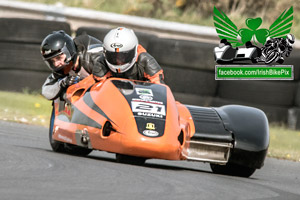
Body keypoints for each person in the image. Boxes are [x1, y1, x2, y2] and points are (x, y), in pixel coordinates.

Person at [40, 30, 103, 100]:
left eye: (58, 58)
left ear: (69, 51)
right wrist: (63, 83)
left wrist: (84, 84)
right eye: (52, 61)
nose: (56, 64)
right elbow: (46, 91)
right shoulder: (61, 68)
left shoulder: (93, 58)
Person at [92, 27, 164, 84]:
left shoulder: (145, 61)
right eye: (113, 57)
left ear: (134, 50)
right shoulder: (102, 63)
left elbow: (160, 89)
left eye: (123, 56)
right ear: (105, 53)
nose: (118, 61)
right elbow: (95, 90)